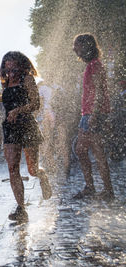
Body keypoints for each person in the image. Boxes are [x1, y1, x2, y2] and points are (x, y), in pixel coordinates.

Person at [0, 51, 52, 222]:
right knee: (12, 168)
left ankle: (42, 176)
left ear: (21, 64)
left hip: (27, 126)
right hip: (10, 126)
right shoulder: (6, 81)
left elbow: (35, 103)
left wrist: (17, 111)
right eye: (7, 66)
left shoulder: (27, 79)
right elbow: (7, 99)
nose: (10, 71)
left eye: (13, 66)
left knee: (32, 170)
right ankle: (21, 208)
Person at [72, 33, 114, 201]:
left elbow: (99, 93)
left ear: (86, 46)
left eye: (77, 45)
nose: (74, 49)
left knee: (97, 153)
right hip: (89, 114)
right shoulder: (92, 65)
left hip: (94, 114)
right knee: (81, 150)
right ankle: (91, 187)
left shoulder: (95, 65)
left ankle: (107, 190)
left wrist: (94, 115)